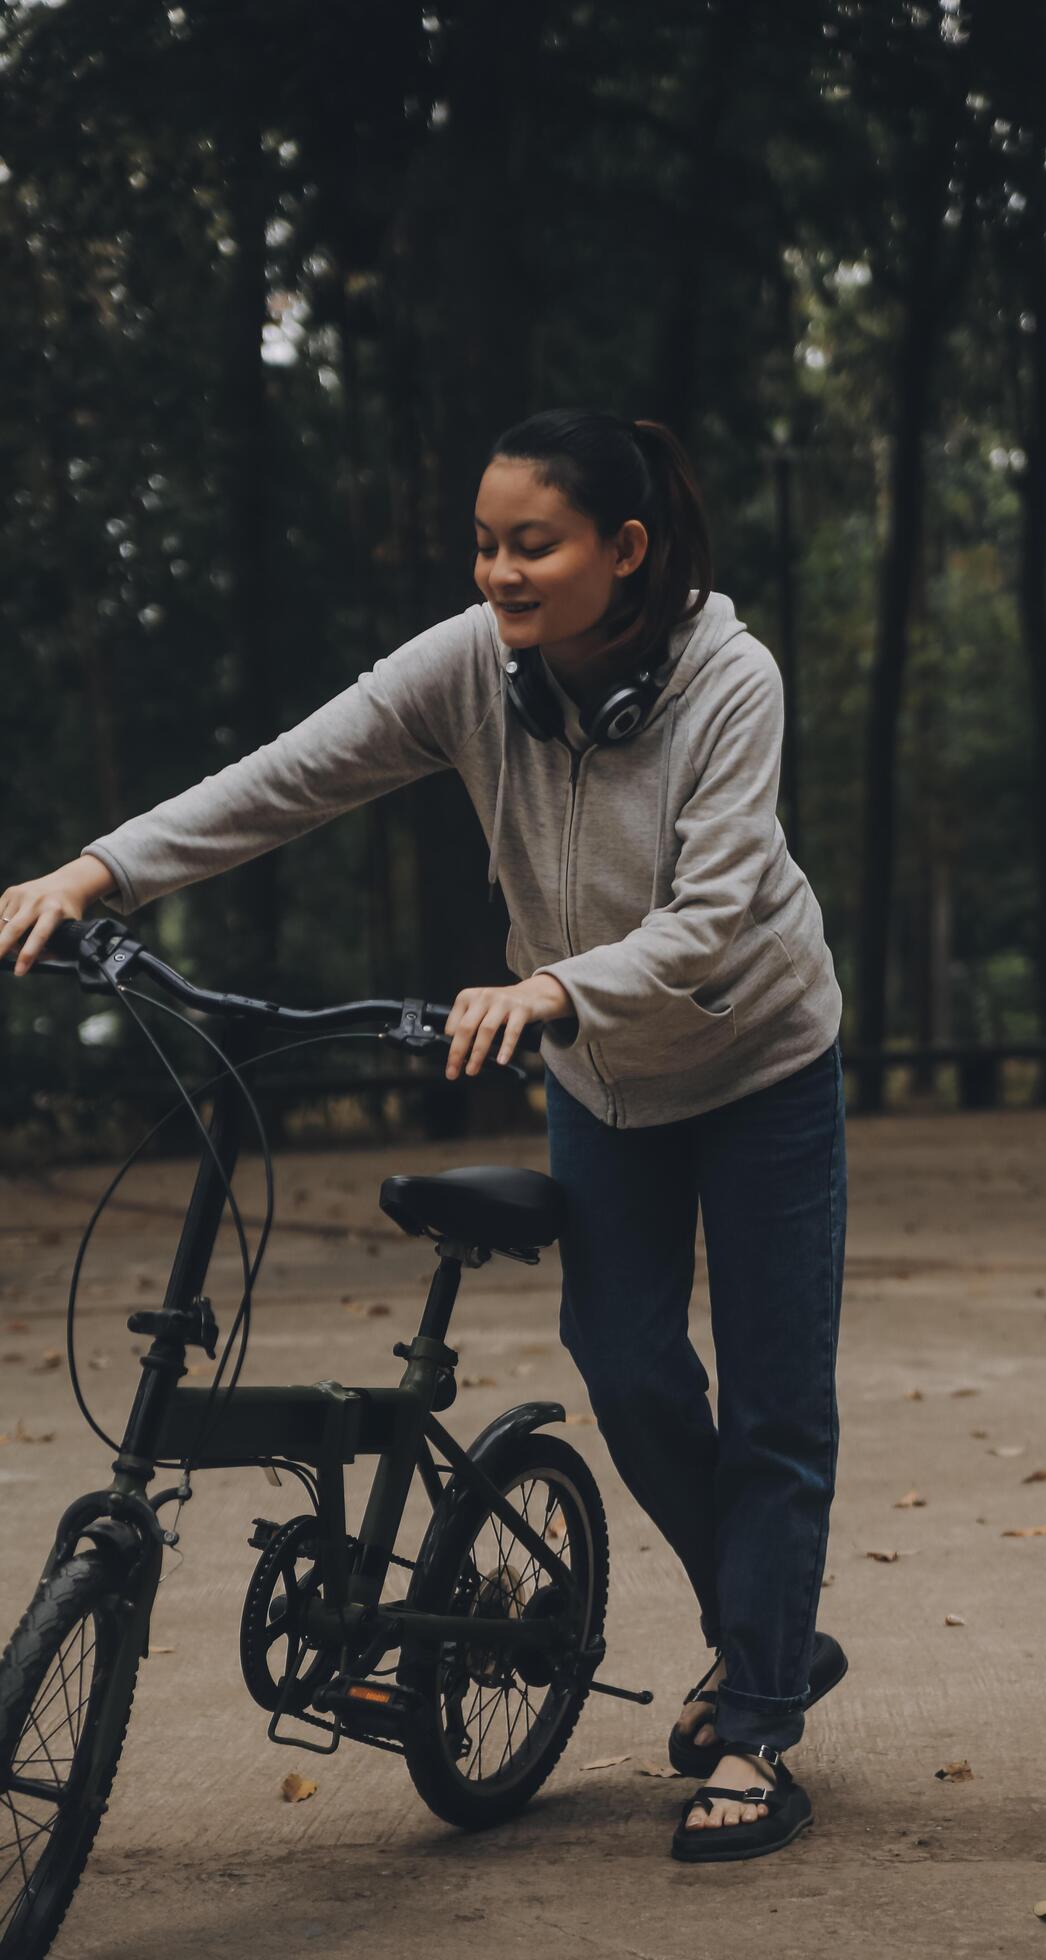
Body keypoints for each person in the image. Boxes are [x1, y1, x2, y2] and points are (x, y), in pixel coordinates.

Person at [0, 406, 848, 1864]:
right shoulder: (476, 665)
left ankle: (757, 1725)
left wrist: (550, 987)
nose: (501, 575)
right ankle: (766, 1638)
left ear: (624, 550)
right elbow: (293, 770)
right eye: (483, 546)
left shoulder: (730, 679)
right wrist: (103, 867)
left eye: (535, 545)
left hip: (760, 1061)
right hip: (602, 1085)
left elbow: (716, 918)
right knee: (627, 1365)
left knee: (773, 1403)